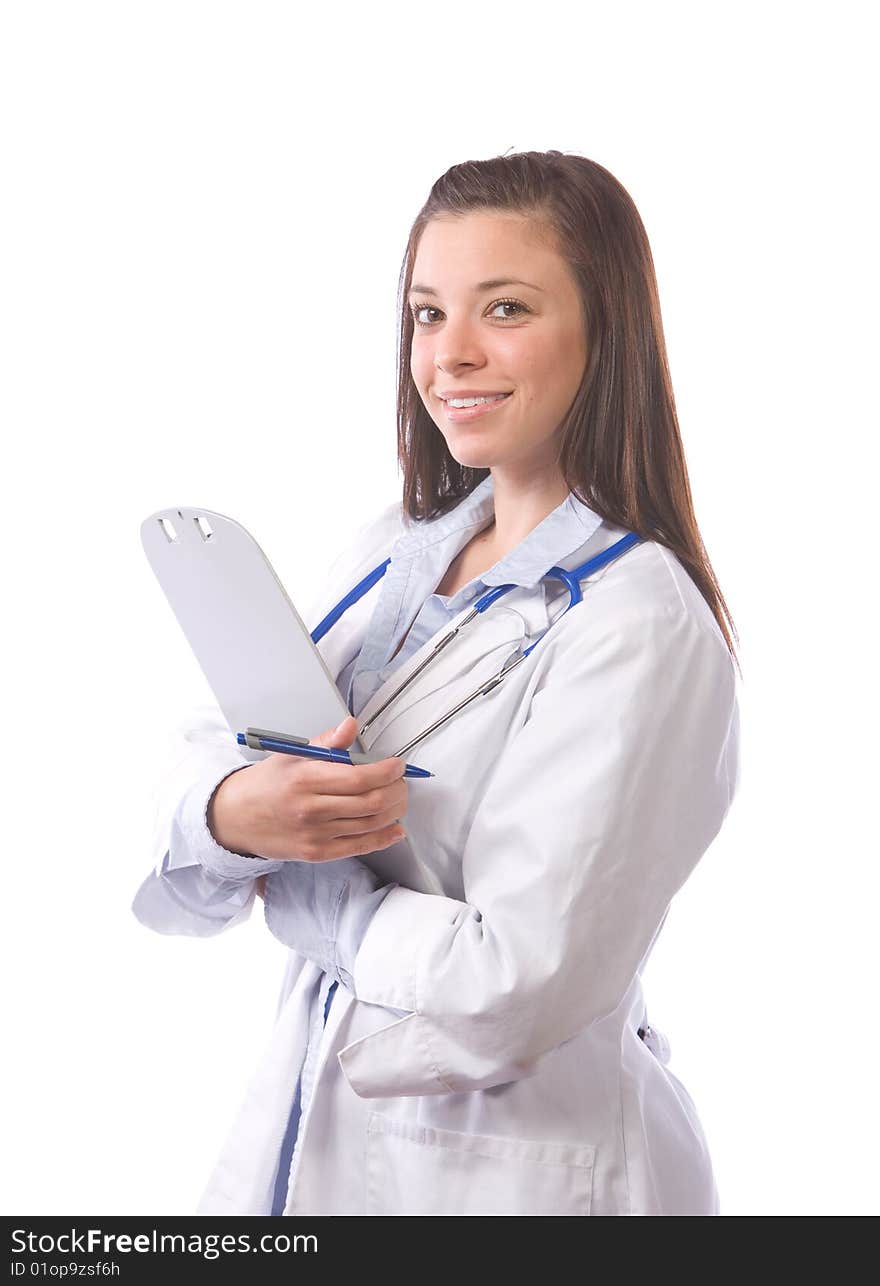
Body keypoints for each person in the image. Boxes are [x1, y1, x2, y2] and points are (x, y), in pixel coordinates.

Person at [132, 149, 741, 1216]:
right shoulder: (397, 549)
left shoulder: (637, 624)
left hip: (523, 1173)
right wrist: (231, 813)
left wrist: (315, 892)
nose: (449, 355)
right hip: (315, 1132)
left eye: (503, 308)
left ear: (607, 333)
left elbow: (514, 983)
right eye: (425, 313)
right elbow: (217, 752)